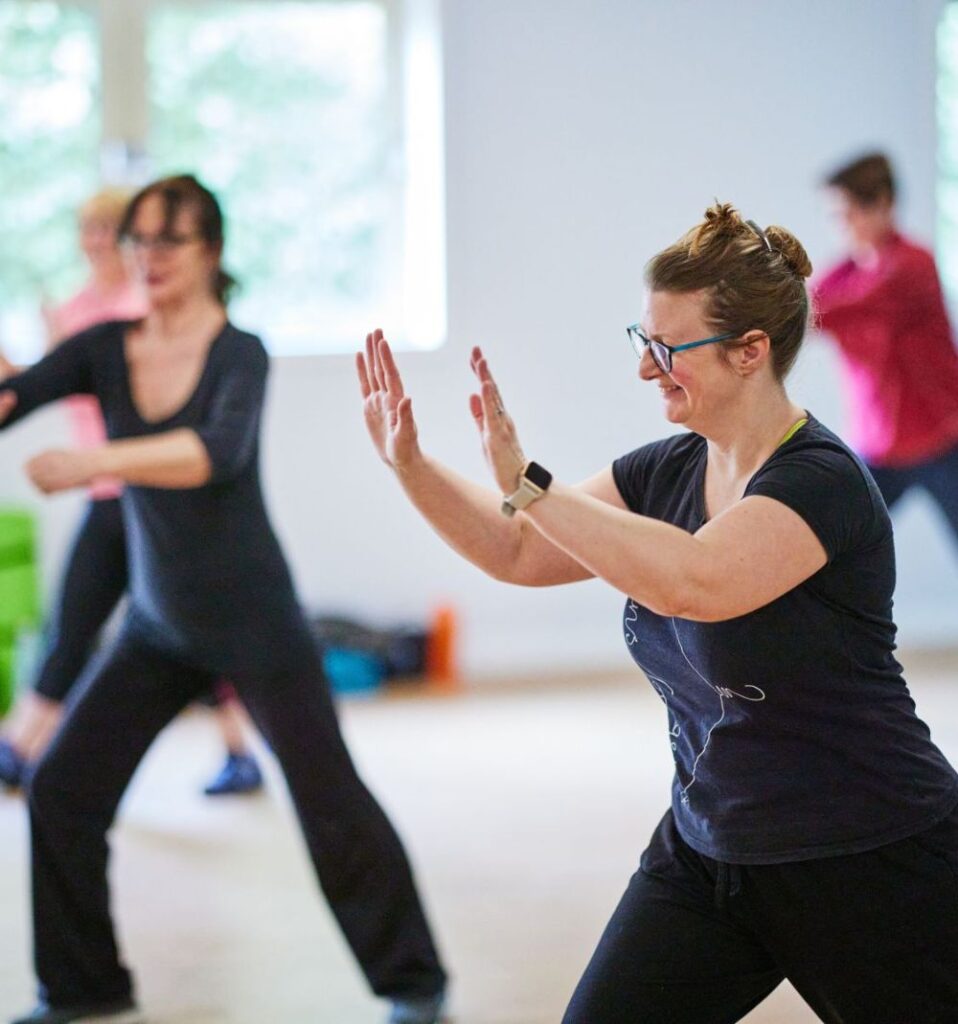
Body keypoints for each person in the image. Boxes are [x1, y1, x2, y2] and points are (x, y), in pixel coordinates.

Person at [356, 202, 958, 1023]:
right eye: (645, 342)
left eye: (670, 348)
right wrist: (413, 465)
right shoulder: (664, 472)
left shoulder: (821, 482)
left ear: (751, 352)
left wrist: (530, 483)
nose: (648, 369)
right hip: (709, 852)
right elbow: (520, 551)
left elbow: (695, 582)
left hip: (868, 852)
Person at [0, 174, 446, 1024]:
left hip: (255, 623)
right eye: (139, 238)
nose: (149, 254)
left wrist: (95, 463)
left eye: (170, 238)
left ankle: (416, 985)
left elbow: (214, 452)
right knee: (60, 788)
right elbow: (17, 396)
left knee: (330, 803)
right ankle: (81, 990)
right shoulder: (105, 347)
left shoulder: (240, 350)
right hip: (159, 626)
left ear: (211, 251)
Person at [0, 187, 264, 798]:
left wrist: (90, 461)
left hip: (145, 491)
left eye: (109, 232)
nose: (102, 245)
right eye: (94, 233)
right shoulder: (79, 311)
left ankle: (23, 744)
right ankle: (25, 745)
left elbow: (216, 447)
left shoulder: (151, 304)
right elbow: (43, 383)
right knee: (92, 624)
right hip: (104, 491)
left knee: (184, 634)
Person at [814, 151, 958, 548]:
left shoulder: (913, 266)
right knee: (829, 547)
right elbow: (808, 308)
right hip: (880, 447)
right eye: (835, 215)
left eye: (848, 213)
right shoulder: (845, 273)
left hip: (942, 440)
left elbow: (838, 307)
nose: (840, 226)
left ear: (883, 203)